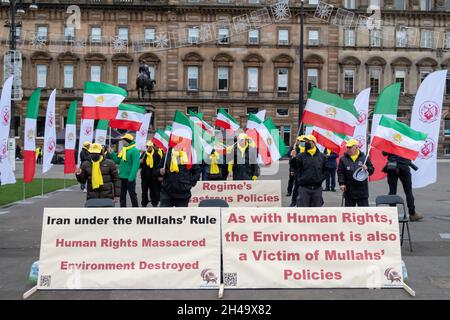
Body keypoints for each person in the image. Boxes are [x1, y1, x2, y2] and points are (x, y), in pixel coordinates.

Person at [382, 152, 423, 221]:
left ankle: (392, 214)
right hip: (404, 165)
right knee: (408, 191)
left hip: (392, 165)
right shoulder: (407, 140)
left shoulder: (391, 140)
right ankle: (412, 214)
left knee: (392, 191)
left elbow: (384, 153)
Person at [338, 139, 374, 207]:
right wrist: (342, 183)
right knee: (349, 214)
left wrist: (367, 169)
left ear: (356, 147)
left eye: (350, 147)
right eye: (347, 147)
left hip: (362, 192)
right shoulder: (343, 159)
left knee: (364, 213)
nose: (348, 149)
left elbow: (372, 170)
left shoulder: (364, 158)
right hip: (349, 192)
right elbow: (340, 173)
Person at [294, 135, 327, 207]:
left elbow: (326, 170)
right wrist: (293, 158)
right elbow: (295, 168)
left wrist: (320, 178)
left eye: (309, 141)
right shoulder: (300, 156)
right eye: (306, 141)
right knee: (303, 211)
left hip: (317, 188)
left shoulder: (322, 156)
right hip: (304, 188)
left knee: (316, 211)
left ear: (314, 143)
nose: (306, 143)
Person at [109, 134, 141, 208]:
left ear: (127, 141)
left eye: (123, 140)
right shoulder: (124, 150)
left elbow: (135, 165)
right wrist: (112, 153)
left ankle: (135, 209)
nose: (122, 141)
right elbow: (118, 161)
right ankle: (123, 209)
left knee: (132, 195)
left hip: (129, 178)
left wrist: (131, 177)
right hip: (122, 177)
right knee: (122, 195)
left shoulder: (135, 150)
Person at [139, 141, 163, 207]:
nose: (148, 148)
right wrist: (140, 162)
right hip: (145, 177)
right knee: (144, 191)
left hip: (153, 177)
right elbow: (139, 166)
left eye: (149, 146)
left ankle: (154, 203)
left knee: (154, 192)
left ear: (152, 146)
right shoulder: (144, 154)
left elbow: (160, 166)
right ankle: (144, 203)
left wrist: (160, 176)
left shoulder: (156, 155)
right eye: (147, 146)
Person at [289, 135, 306, 206]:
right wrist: (292, 170)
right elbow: (291, 162)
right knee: (296, 188)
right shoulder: (295, 148)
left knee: (304, 189)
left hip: (305, 172)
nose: (302, 143)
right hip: (297, 171)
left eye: (303, 141)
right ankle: (293, 202)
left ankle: (303, 202)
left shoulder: (307, 149)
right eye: (300, 141)